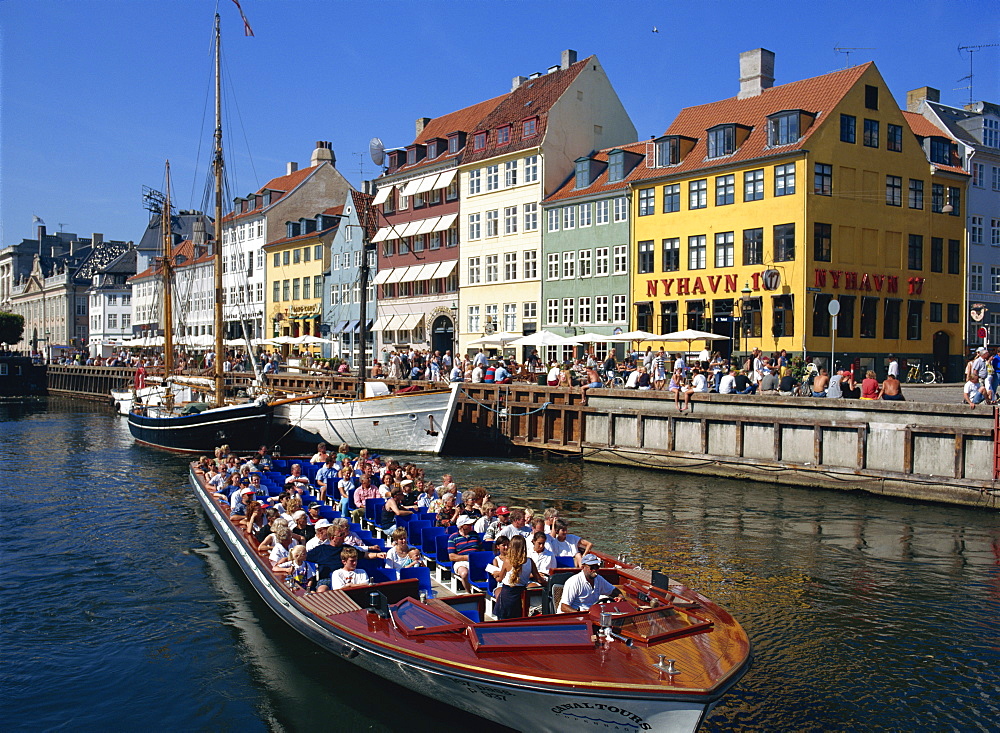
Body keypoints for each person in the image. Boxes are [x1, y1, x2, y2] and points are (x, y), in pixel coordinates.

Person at [495, 535, 545, 620]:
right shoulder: (530, 561)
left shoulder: (507, 561)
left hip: (507, 595)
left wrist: (496, 575)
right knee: (518, 622)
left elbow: (500, 579)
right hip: (521, 595)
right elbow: (539, 579)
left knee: (503, 622)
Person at [448, 516, 483, 592]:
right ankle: (469, 592)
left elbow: (481, 548)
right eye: (468, 524)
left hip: (476, 561)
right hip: (461, 562)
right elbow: (451, 557)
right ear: (462, 526)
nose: (471, 525)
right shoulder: (453, 537)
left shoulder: (475, 535)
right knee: (464, 574)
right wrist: (467, 557)